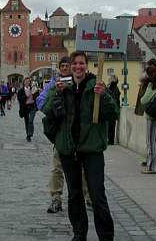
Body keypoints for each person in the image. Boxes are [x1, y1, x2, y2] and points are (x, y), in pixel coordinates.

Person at [42, 51, 119, 241]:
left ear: (87, 65)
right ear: (70, 66)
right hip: (68, 149)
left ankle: (106, 235)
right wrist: (56, 94)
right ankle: (79, 233)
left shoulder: (96, 85)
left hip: (91, 149)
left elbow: (113, 113)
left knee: (97, 194)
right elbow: (46, 109)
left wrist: (105, 96)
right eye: (74, 63)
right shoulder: (62, 86)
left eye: (81, 63)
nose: (78, 67)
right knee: (75, 195)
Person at [37, 56, 92, 214]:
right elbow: (41, 102)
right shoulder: (54, 84)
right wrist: (55, 105)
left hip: (80, 134)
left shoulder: (82, 83)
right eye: (64, 66)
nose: (67, 68)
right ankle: (56, 198)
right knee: (57, 168)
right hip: (61, 134)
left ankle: (89, 198)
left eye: (69, 65)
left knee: (83, 168)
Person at [140, 66, 156, 174]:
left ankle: (151, 166)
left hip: (151, 116)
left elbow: (143, 100)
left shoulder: (151, 86)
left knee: (150, 142)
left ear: (149, 76)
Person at [17, 77, 36, 142]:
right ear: (23, 83)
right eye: (26, 82)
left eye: (28, 82)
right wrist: (26, 96)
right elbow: (19, 99)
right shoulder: (21, 90)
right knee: (27, 122)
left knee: (31, 120)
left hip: (32, 106)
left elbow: (36, 97)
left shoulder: (32, 89)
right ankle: (28, 135)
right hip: (25, 107)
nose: (27, 83)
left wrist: (37, 93)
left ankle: (30, 133)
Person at [107, 74, 121, 145]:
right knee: (110, 126)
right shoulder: (113, 87)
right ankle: (110, 140)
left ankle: (110, 140)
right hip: (112, 108)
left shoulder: (113, 88)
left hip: (112, 109)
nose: (108, 80)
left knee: (111, 125)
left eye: (109, 78)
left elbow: (114, 99)